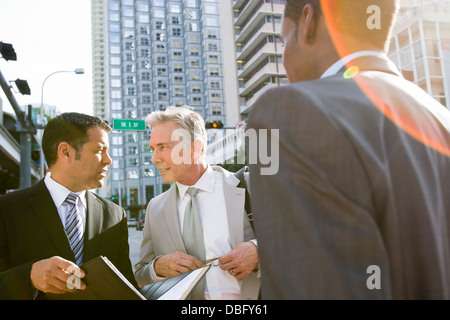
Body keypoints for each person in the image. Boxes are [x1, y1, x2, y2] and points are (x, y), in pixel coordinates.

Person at [248, 0, 450, 299]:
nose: (285, 57)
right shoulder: (439, 116)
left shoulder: (285, 112)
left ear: (307, 22)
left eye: (283, 41)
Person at [0, 112, 135, 299]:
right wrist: (29, 277)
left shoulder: (115, 215)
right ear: (65, 152)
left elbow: (126, 288)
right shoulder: (6, 210)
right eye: (99, 150)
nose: (108, 160)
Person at [134, 106, 260, 300]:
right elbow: (140, 275)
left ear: (195, 148)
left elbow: (300, 240)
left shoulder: (251, 186)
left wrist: (259, 251)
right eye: (153, 149)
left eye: (163, 147)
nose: (154, 158)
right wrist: (157, 268)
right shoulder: (155, 208)